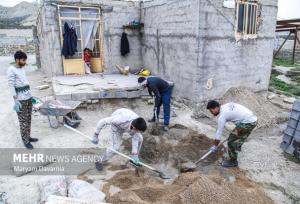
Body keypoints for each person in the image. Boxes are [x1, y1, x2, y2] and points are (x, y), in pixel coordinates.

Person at [207, 101, 257, 168]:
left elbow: (219, 133)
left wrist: (215, 146)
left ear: (216, 108)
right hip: (253, 119)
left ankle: (233, 162)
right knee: (238, 134)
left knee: (231, 141)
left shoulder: (222, 116)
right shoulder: (226, 105)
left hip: (247, 123)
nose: (211, 113)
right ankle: (237, 146)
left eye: (211, 111)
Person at [7, 51, 38, 150]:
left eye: (25, 60)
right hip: (21, 100)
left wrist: (31, 96)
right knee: (23, 121)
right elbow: (11, 85)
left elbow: (25, 83)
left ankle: (28, 137)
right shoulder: (11, 70)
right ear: (17, 60)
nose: (25, 62)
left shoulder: (22, 69)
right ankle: (25, 141)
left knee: (28, 119)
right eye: (23, 60)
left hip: (28, 98)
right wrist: (16, 100)